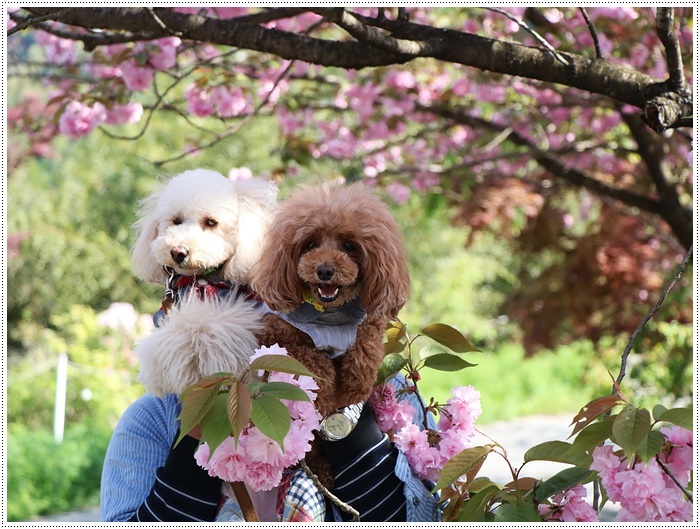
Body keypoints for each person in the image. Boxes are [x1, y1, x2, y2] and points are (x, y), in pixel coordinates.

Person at [100, 377, 439, 522]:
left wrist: (344, 412)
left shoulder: (388, 393)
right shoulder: (156, 419)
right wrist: (200, 431)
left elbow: (429, 518)